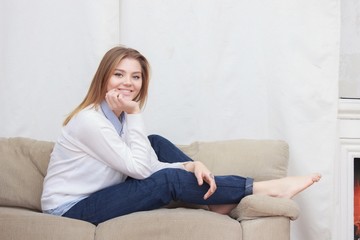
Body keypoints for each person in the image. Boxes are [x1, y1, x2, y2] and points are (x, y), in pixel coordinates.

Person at [41, 46, 321, 225]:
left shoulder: (119, 118)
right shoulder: (90, 121)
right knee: (166, 179)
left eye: (136, 77)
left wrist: (189, 165)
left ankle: (216, 200)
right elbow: (140, 170)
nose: (128, 83)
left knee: (156, 143)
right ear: (104, 78)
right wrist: (136, 113)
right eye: (118, 75)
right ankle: (263, 188)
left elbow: (146, 163)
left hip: (98, 195)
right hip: (69, 210)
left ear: (142, 83)